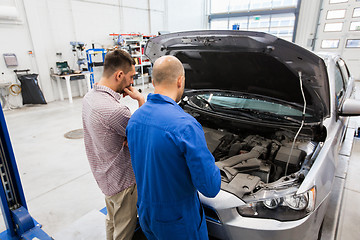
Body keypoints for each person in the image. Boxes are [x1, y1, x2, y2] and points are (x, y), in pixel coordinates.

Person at [126, 55, 221, 240]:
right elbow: (210, 187)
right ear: (180, 80)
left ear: (153, 81)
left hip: (146, 214)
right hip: (178, 221)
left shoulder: (135, 119)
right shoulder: (185, 126)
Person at [82, 49, 145, 240]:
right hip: (123, 183)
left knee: (111, 221)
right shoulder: (116, 111)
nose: (132, 83)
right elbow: (143, 136)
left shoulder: (89, 98)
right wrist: (141, 100)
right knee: (124, 232)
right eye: (131, 77)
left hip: (105, 177)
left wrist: (127, 137)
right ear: (119, 75)